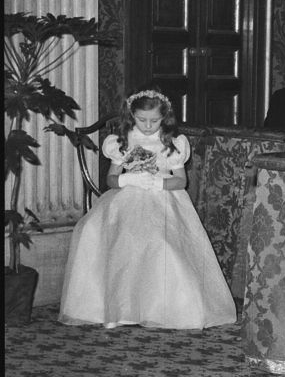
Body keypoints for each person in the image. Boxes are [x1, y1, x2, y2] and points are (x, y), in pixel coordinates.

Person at [59, 89, 237, 330]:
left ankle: (164, 308)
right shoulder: (122, 140)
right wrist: (126, 180)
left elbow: (181, 181)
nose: (148, 125)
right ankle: (117, 307)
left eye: (155, 120)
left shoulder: (172, 142)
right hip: (127, 196)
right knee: (100, 232)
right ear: (132, 115)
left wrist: (158, 183)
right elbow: (111, 178)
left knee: (160, 241)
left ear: (165, 118)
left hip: (162, 197)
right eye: (142, 120)